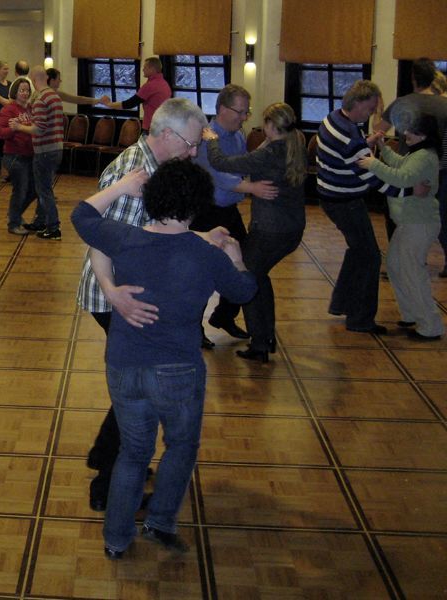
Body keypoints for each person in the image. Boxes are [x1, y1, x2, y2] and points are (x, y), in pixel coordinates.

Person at [71, 160, 256, 560]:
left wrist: (121, 187)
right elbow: (244, 291)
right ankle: (159, 522)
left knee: (133, 453)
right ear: (198, 205)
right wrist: (237, 256)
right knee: (181, 446)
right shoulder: (206, 255)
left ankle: (116, 540)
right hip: (177, 370)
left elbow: (82, 214)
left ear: (153, 199)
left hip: (123, 365)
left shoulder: (125, 238)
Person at [75, 98, 222, 512]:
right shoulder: (133, 172)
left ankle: (105, 456)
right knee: (141, 390)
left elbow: (153, 235)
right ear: (167, 134)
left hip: (128, 293)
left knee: (136, 385)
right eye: (191, 144)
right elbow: (102, 240)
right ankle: (107, 485)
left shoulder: (155, 168)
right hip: (118, 297)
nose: (194, 152)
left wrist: (202, 239)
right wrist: (115, 294)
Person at [203, 102, 307, 362]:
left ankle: (260, 344)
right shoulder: (295, 144)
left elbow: (220, 162)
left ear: (270, 126)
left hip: (270, 231)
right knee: (259, 277)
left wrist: (212, 139)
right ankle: (262, 336)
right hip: (291, 229)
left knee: (248, 279)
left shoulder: (269, 153)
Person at [317, 80, 421, 335]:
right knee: (370, 256)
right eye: (371, 108)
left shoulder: (332, 118)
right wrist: (409, 191)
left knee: (358, 251)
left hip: (331, 198)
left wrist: (366, 141)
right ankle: (360, 319)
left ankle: (342, 304)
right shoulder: (350, 136)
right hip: (345, 203)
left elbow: (352, 151)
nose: (373, 113)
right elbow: (374, 179)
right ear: (358, 103)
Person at [193, 84, 278, 346]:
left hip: (228, 212)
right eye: (239, 112)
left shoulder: (238, 135)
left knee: (244, 264)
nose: (244, 117)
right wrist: (253, 188)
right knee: (202, 272)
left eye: (246, 112)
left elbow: (243, 164)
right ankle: (194, 329)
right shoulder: (207, 137)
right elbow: (220, 177)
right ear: (221, 109)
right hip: (205, 212)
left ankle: (223, 316)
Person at [358, 114, 444, 341]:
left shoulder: (424, 156)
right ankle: (411, 315)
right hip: (410, 223)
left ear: (423, 135)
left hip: (418, 224)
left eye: (411, 131)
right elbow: (400, 165)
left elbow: (401, 178)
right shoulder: (418, 153)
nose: (405, 134)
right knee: (396, 266)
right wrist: (382, 148)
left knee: (413, 273)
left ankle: (430, 326)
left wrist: (373, 163)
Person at [379, 59, 447, 277]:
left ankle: (402, 260)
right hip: (439, 169)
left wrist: (379, 111)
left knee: (400, 216)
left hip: (407, 166)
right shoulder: (444, 105)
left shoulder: (402, 103)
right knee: (440, 216)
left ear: (413, 78)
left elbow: (379, 130)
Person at [10, 66, 64, 240]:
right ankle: (41, 222)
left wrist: (19, 126)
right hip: (56, 148)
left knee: (44, 190)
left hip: (45, 150)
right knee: (44, 187)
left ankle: (53, 227)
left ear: (33, 80)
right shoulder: (54, 96)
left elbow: (39, 129)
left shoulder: (41, 99)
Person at [0, 76, 36, 235]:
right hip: (14, 155)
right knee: (20, 189)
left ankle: (15, 214)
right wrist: (14, 129)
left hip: (30, 155)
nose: (25, 93)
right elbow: (1, 132)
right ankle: (13, 223)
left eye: (27, 90)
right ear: (15, 92)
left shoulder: (31, 109)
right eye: (21, 90)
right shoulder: (8, 110)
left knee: (34, 189)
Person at [103, 56, 171, 134]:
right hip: (163, 126)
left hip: (152, 128)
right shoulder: (164, 84)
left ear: (152, 69)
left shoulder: (151, 86)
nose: (143, 69)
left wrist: (109, 105)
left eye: (145, 67)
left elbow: (130, 103)